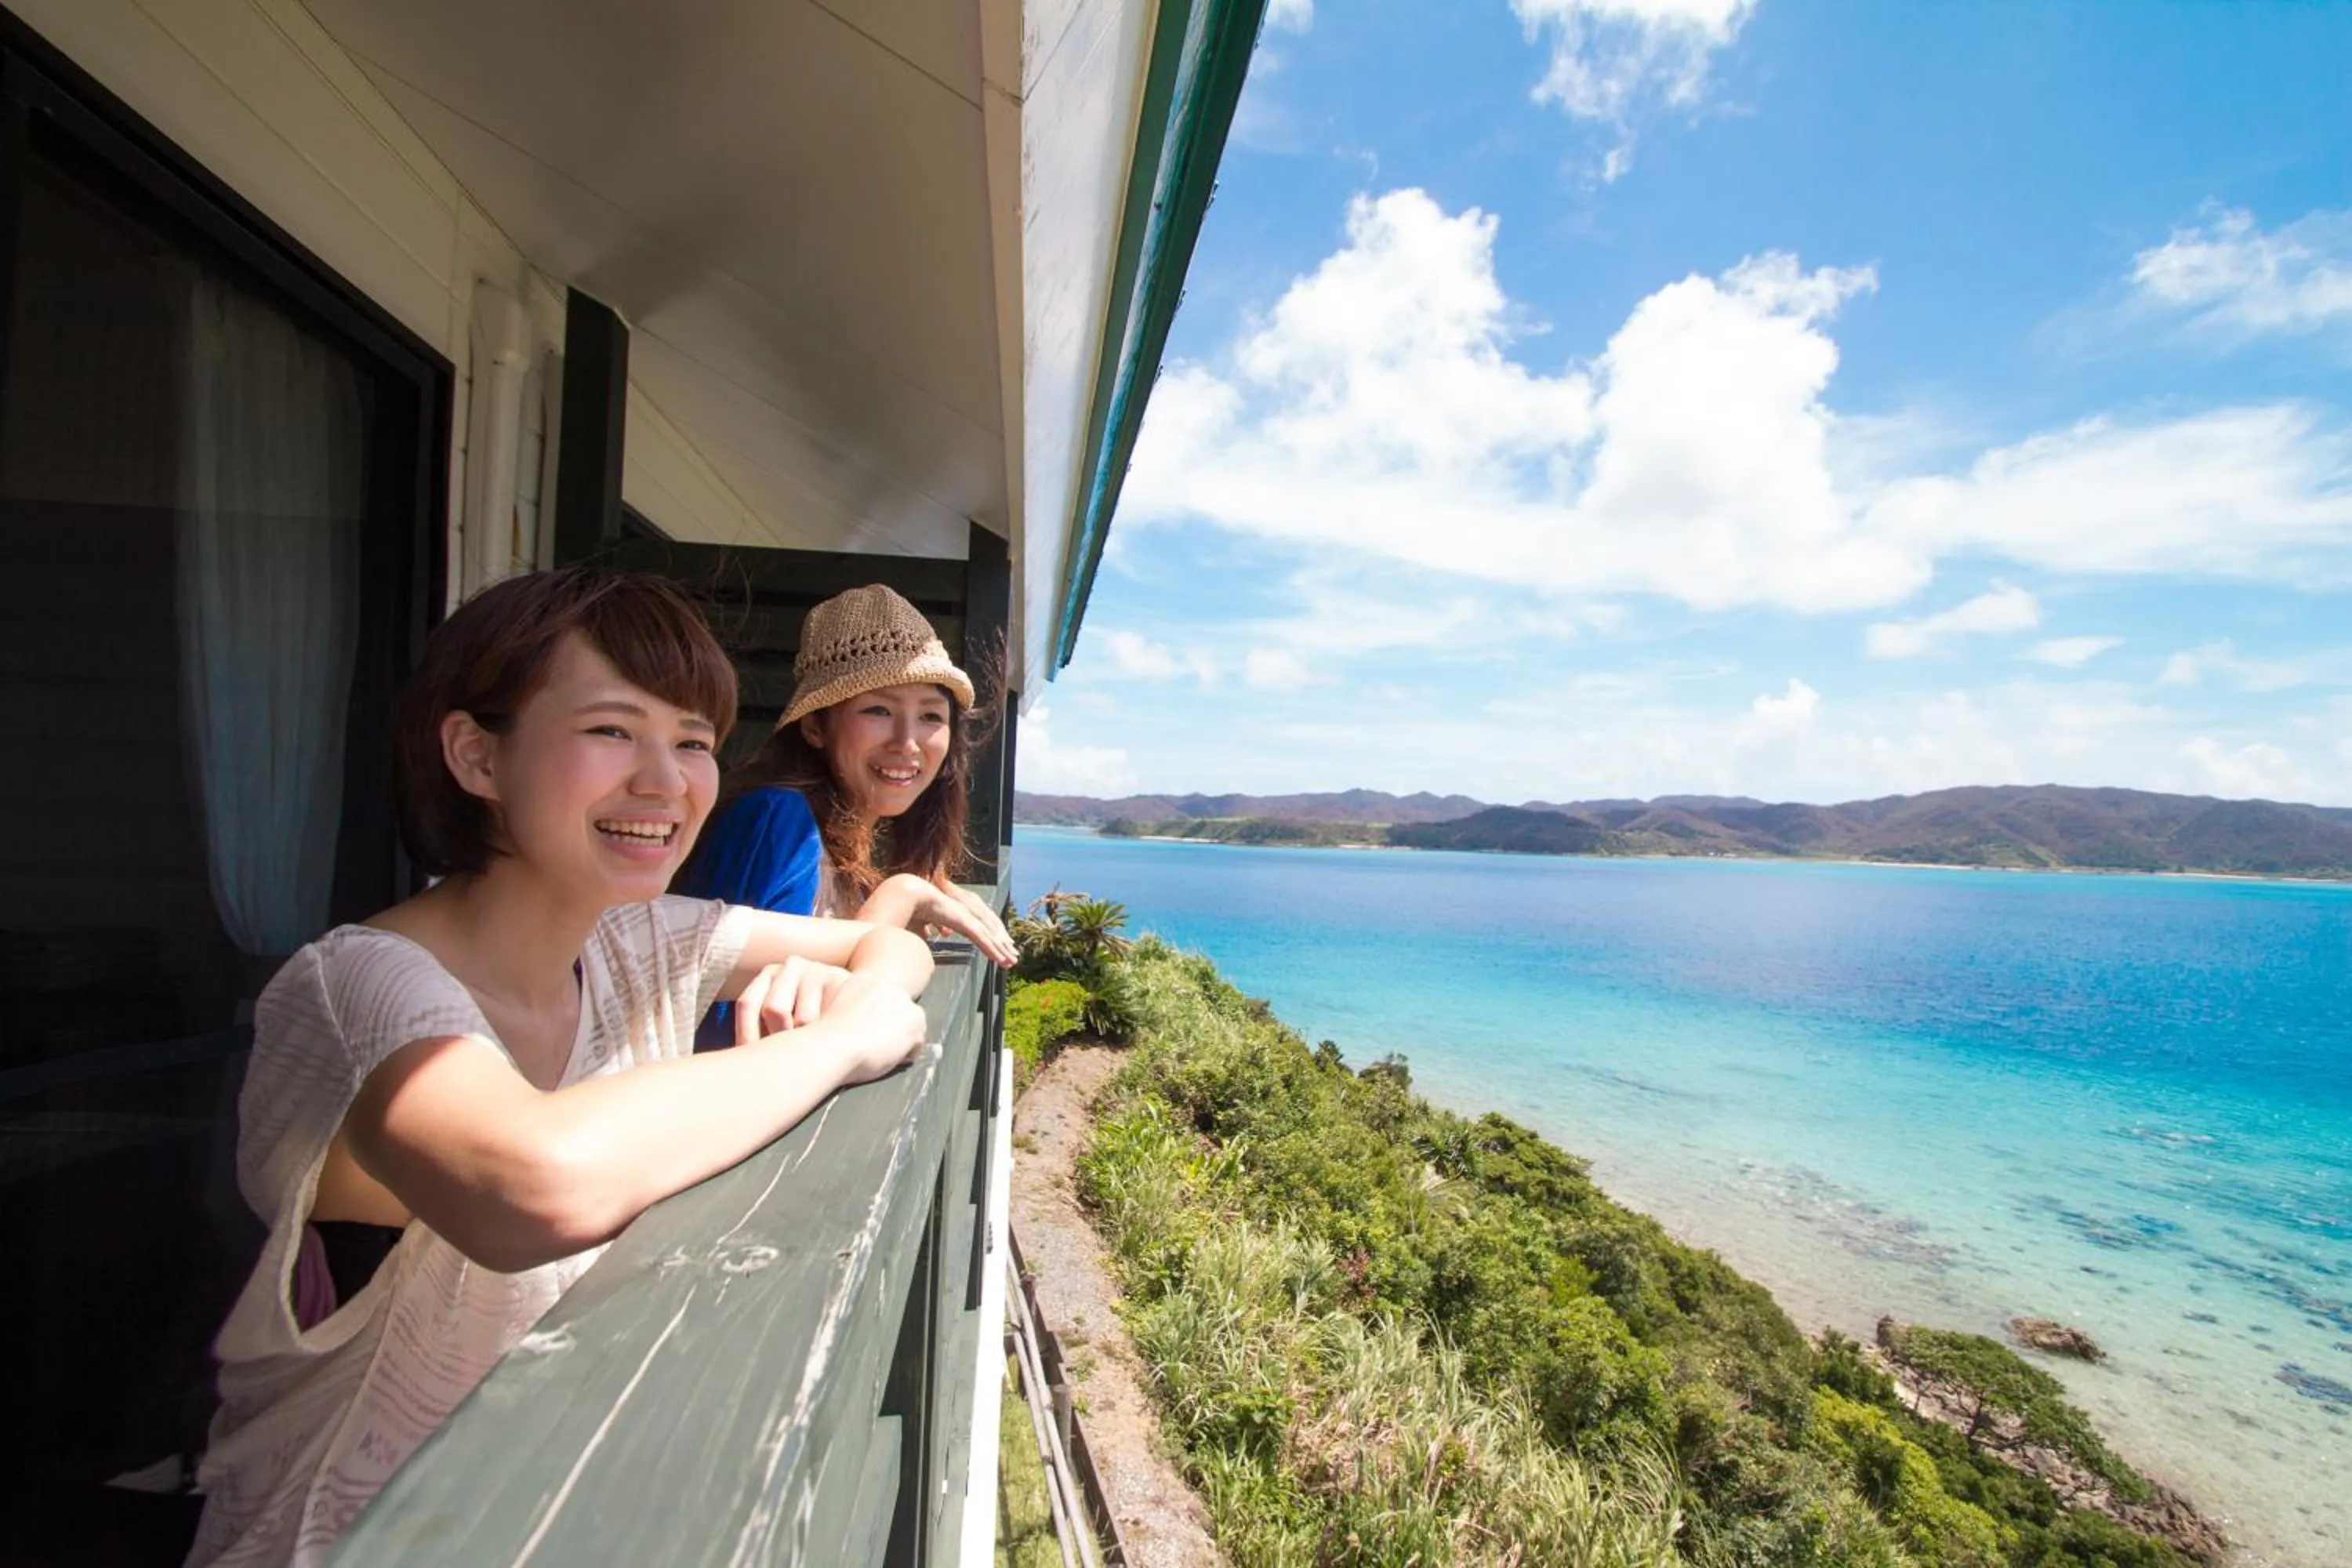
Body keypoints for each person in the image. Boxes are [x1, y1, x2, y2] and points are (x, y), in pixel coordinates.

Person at [187, 568, 935, 1568]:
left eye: (692, 741)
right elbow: (533, 1182)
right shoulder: (358, 986)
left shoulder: (637, 940)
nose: (666, 781)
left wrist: (852, 977)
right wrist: (838, 1040)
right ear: (476, 753)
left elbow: (894, 954)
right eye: (612, 730)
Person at [674, 583, 1016, 979]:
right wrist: (903, 895)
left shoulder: (844, 832)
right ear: (816, 726)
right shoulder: (776, 819)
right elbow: (781, 1009)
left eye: (931, 716)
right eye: (878, 710)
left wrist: (926, 883)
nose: (907, 743)